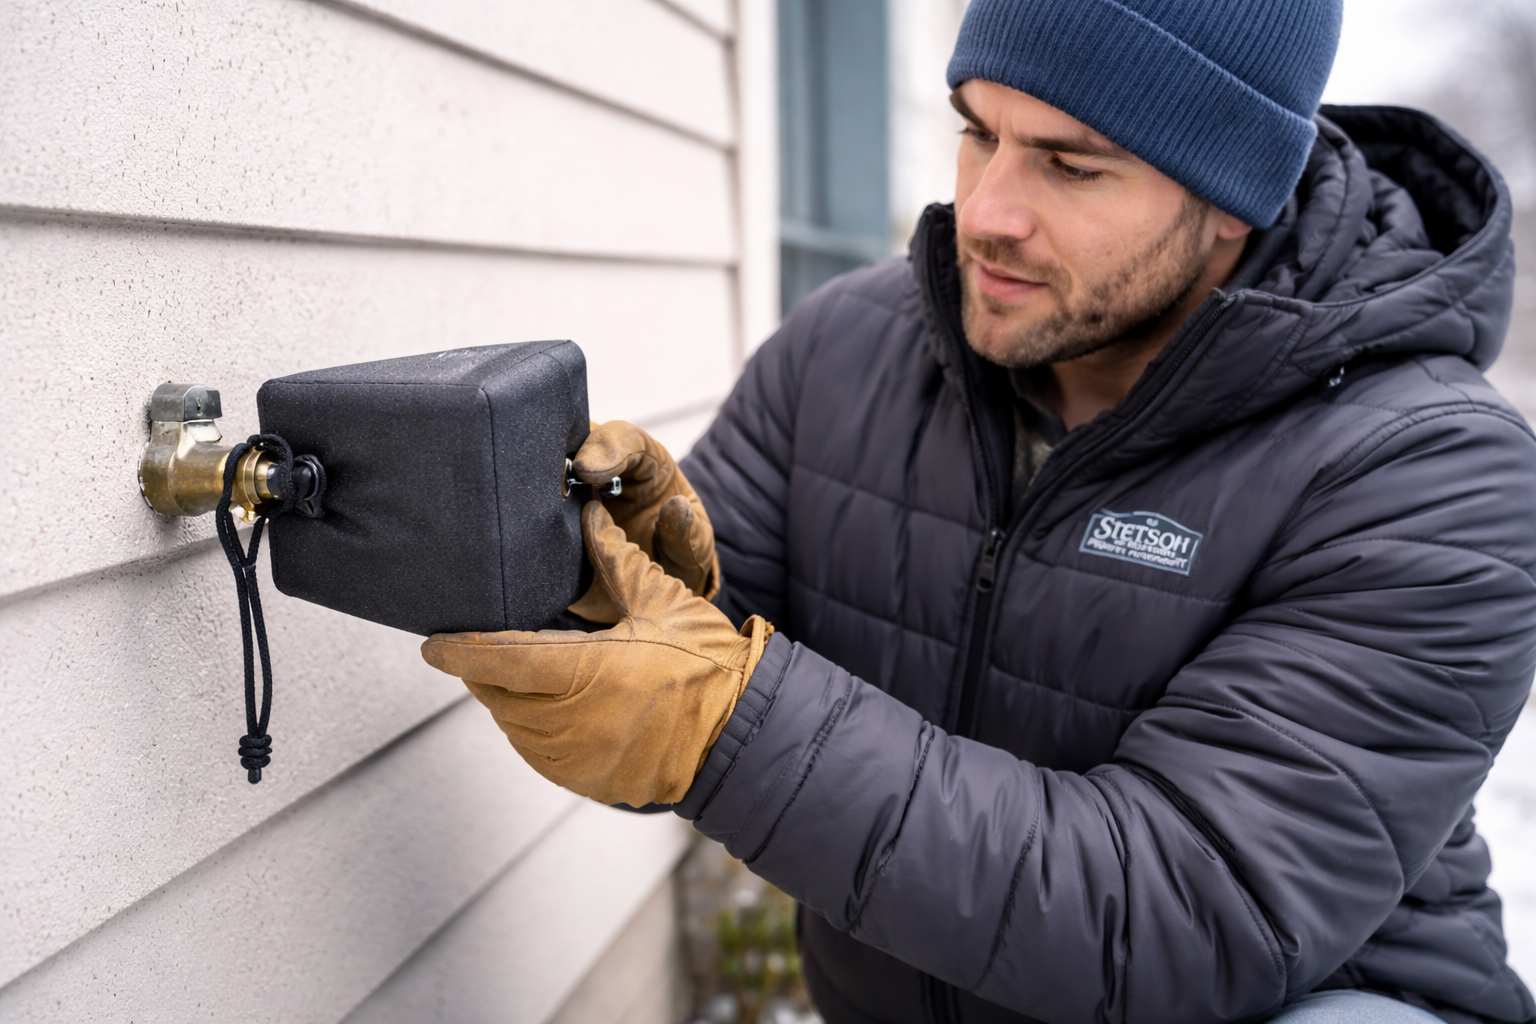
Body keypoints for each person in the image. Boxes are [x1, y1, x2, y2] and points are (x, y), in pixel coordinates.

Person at [422, 2, 1536, 1021]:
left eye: (1071, 164)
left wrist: (721, 719)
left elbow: (1179, 913)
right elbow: (678, 711)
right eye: (978, 131)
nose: (986, 212)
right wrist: (629, 599)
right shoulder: (846, 350)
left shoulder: (1431, 476)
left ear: (1234, 198)